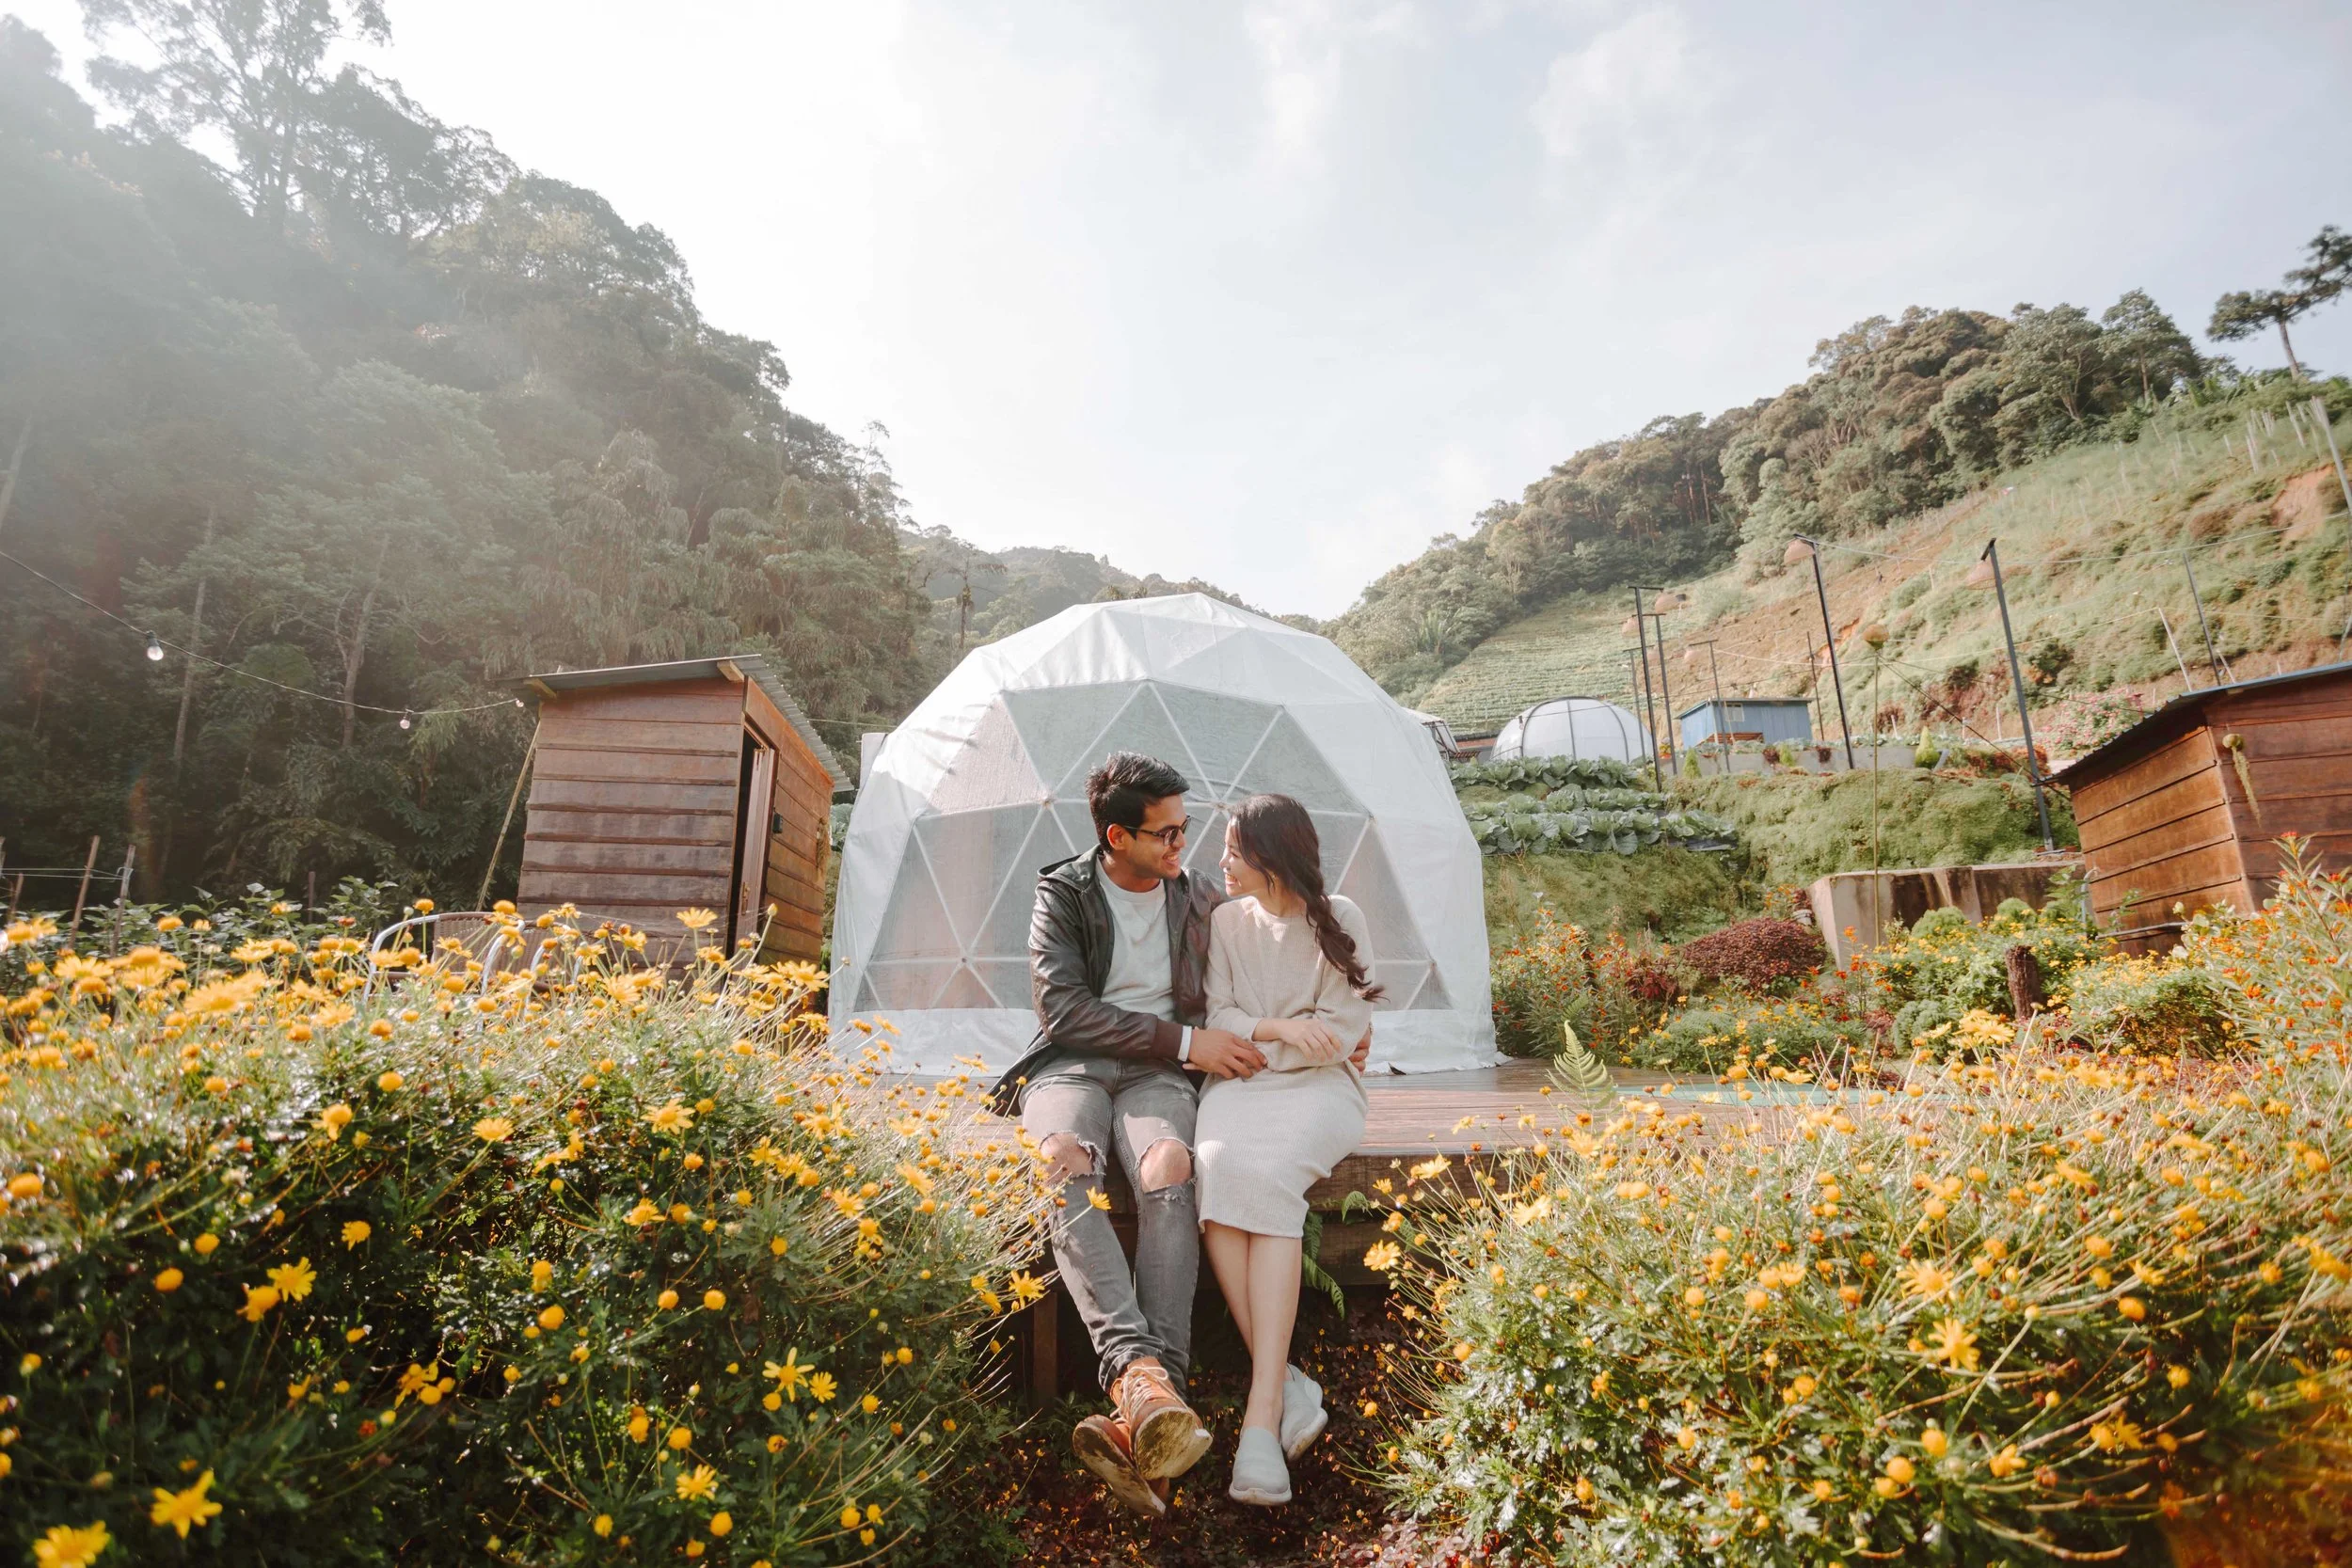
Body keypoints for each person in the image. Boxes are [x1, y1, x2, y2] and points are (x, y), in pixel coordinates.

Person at [987, 752, 1266, 1519]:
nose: (1182, 846)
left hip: (1154, 1078)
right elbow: (1064, 1011)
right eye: (1166, 833)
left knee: (1170, 1163)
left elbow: (1278, 942)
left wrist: (1336, 1022)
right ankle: (1148, 1381)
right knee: (1062, 1159)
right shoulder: (1065, 892)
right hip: (1072, 1066)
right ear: (1117, 835)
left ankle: (1143, 1402)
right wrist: (1185, 1042)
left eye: (1186, 829)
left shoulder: (1195, 895)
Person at [1194, 792, 1376, 1507]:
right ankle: (1287, 1384)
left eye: (1233, 851)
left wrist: (1280, 1041)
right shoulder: (1225, 922)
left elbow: (1341, 1028)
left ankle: (1259, 1419)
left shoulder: (1342, 918)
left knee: (1267, 1173)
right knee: (1213, 1162)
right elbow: (1222, 1016)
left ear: (1270, 858)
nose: (1222, 862)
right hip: (1241, 1081)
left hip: (1322, 1091)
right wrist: (1279, 1027)